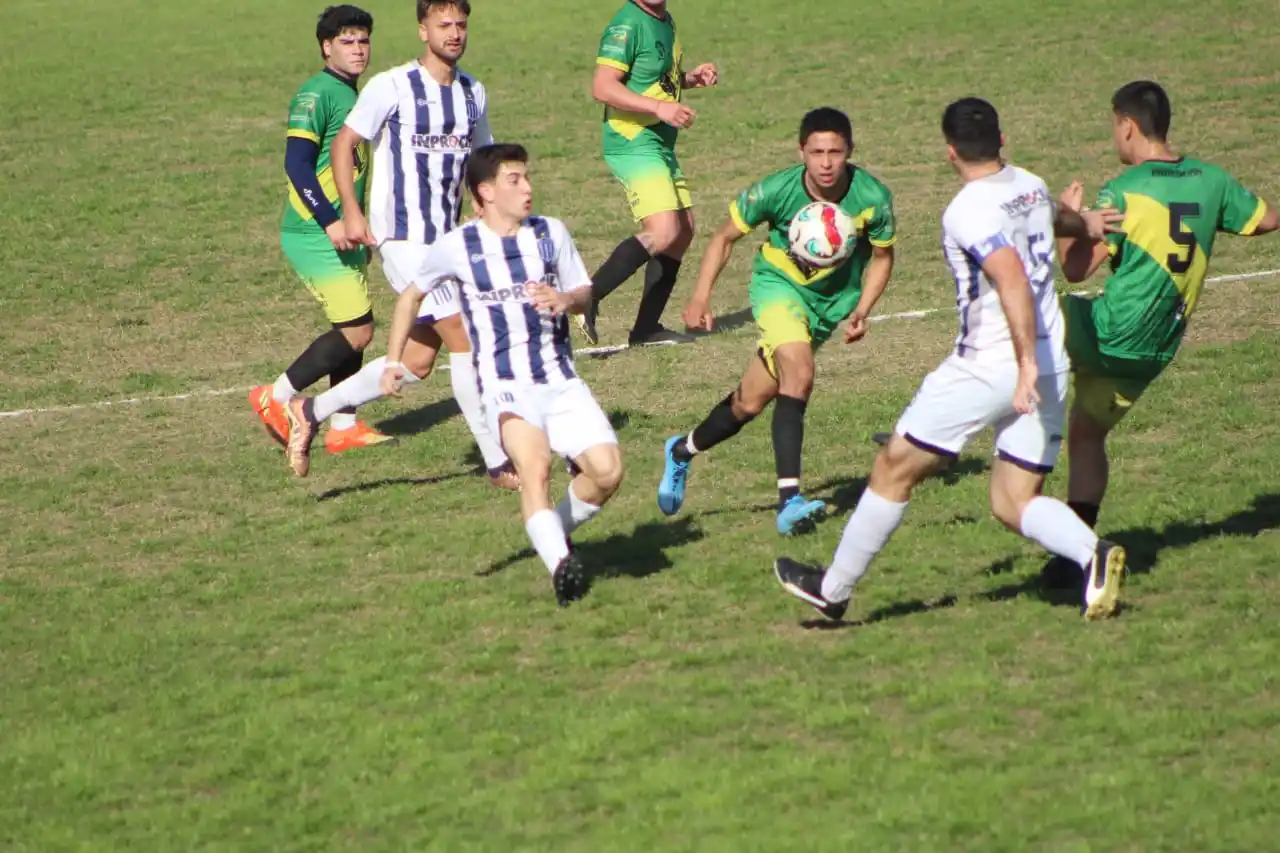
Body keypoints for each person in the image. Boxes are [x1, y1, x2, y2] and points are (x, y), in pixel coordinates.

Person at [774, 98, 1128, 622]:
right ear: (1002, 140)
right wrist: (1090, 225)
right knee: (1013, 499)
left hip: (992, 364)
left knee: (894, 467)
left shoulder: (967, 209)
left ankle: (834, 589)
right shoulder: (1027, 182)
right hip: (1050, 364)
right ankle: (1092, 556)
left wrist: (1022, 362)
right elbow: (1054, 214)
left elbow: (1008, 277)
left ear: (950, 152)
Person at [288, 145, 625, 606]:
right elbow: (410, 297)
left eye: (527, 178)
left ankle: (551, 533)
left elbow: (584, 289)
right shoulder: (458, 246)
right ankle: (561, 566)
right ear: (485, 192)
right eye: (515, 180)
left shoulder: (551, 233)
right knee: (535, 469)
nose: (528, 187)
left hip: (561, 380)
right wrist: (390, 362)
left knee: (607, 473)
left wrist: (568, 301)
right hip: (507, 387)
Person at [1043, 80, 1277, 586]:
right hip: (1153, 351)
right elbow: (1265, 221)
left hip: (1106, 332)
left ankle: (979, 447)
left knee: (1017, 316)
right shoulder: (1213, 181)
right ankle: (1078, 555)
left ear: (1127, 125)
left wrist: (1073, 221)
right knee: (1087, 434)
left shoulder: (1125, 193)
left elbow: (1077, 271)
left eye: (1114, 126)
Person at [291, 0, 519, 489]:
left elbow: (482, 162)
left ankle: (311, 410)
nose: (454, 33)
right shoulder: (392, 86)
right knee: (464, 335)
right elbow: (343, 144)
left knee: (417, 362)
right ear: (423, 30)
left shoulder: (472, 92)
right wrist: (351, 211)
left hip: (446, 240)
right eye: (443, 25)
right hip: (401, 239)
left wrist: (494, 212)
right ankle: (497, 460)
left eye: (461, 24)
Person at [655, 108, 896, 536]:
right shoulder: (775, 190)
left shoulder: (872, 197)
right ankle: (790, 502)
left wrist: (863, 310)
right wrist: (700, 297)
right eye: (817, 151)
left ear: (849, 152)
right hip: (778, 288)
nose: (825, 163)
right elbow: (723, 237)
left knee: (749, 402)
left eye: (835, 152)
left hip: (830, 304)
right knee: (799, 373)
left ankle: (681, 450)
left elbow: (882, 257)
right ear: (801, 150)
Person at [249, 5, 392, 455]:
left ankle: (344, 424)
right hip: (315, 232)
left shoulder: (354, 93)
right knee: (359, 330)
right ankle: (277, 396)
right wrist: (331, 220)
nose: (357, 49)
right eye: (346, 41)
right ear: (326, 47)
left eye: (363, 41)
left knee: (352, 323)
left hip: (343, 230)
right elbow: (296, 163)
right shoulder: (317, 94)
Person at [577, 0, 718, 347]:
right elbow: (603, 87)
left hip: (657, 141)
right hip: (632, 141)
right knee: (664, 230)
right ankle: (587, 297)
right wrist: (658, 107)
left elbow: (655, 82)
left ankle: (646, 329)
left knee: (683, 230)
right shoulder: (627, 24)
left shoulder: (663, 19)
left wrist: (690, 80)